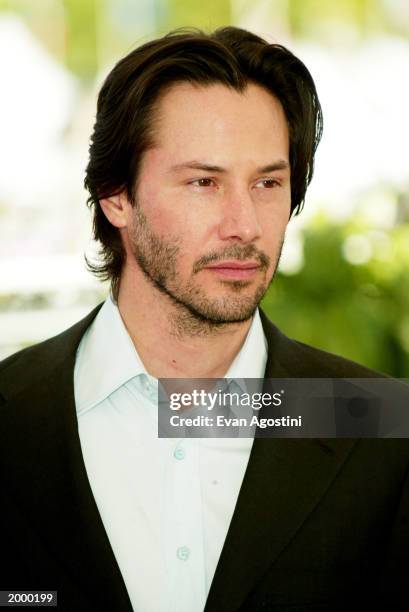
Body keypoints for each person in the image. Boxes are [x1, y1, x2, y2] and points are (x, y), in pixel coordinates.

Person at [0, 26, 408, 612]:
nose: (244, 224)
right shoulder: (13, 418)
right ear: (116, 195)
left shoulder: (381, 427)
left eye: (268, 183)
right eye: (203, 183)